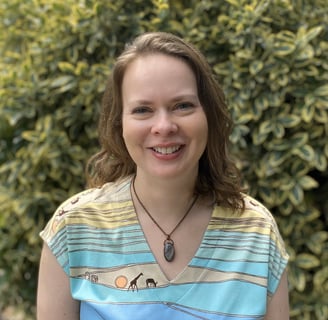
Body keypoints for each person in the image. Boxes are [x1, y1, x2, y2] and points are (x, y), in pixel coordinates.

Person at [37, 32, 289, 320]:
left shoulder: (257, 233)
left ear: (209, 115)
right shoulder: (73, 228)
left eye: (182, 105)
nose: (164, 126)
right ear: (120, 123)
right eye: (143, 110)